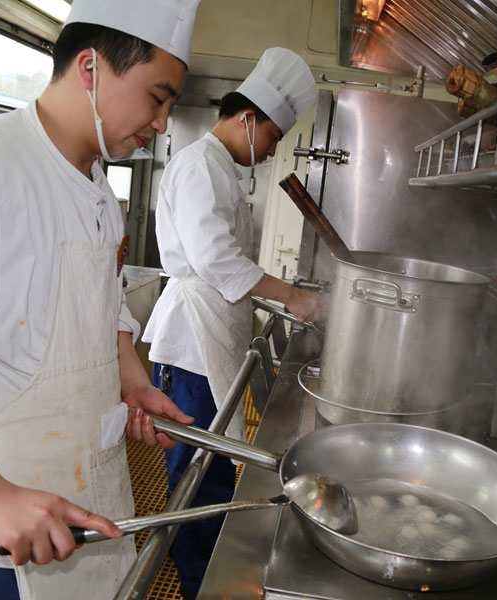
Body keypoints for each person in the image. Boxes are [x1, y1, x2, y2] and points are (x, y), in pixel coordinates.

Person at [0, 1, 201, 598]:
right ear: (91, 66)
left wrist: (130, 379)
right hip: (8, 534)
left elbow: (99, 303)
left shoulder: (96, 183)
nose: (163, 121)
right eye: (157, 96)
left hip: (91, 499)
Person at [141, 46, 322, 597]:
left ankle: (204, 575)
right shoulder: (199, 165)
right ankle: (200, 585)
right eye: (270, 138)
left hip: (208, 336)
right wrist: (292, 296)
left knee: (211, 472)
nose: (270, 153)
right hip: (191, 341)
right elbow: (218, 261)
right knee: (198, 478)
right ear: (248, 118)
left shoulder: (219, 167)